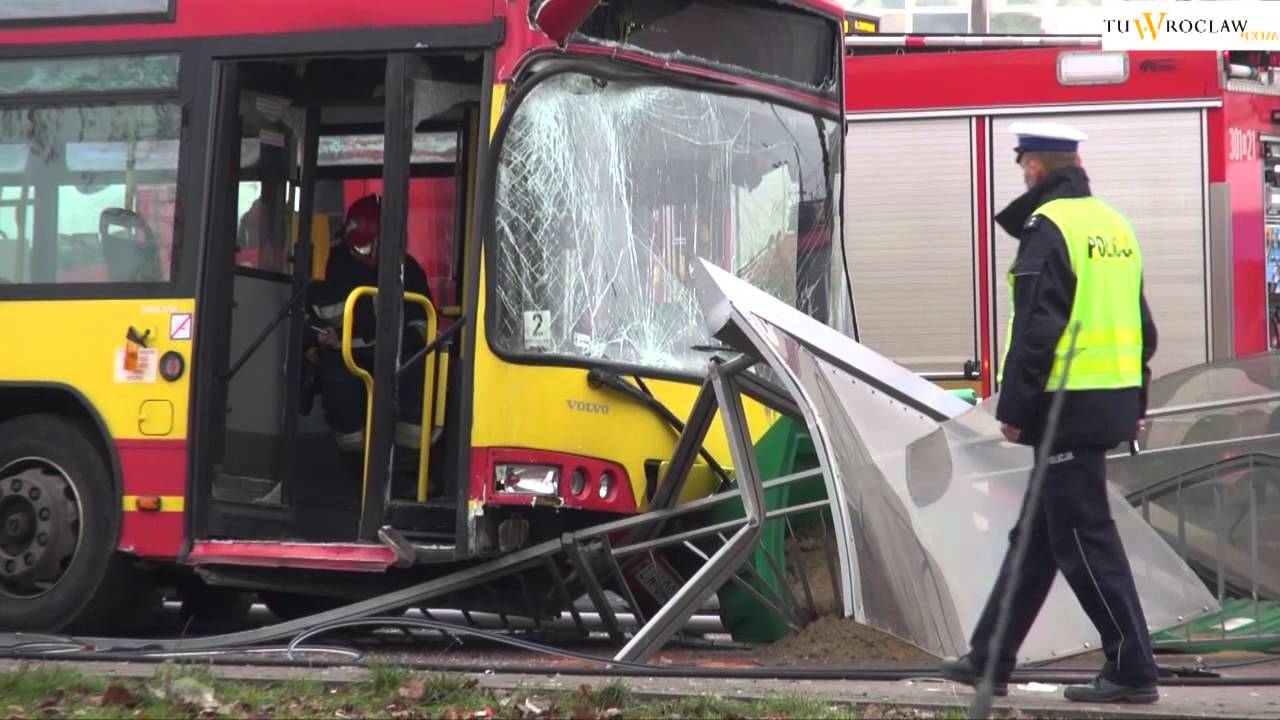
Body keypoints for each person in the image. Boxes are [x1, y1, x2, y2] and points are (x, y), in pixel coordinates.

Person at [938, 122, 1161, 704]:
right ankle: (990, 658)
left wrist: (1014, 410)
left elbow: (1038, 328)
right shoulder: (1114, 226)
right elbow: (1144, 328)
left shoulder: (1050, 228)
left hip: (1067, 405)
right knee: (1037, 536)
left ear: (1034, 168)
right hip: (1106, 399)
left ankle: (1133, 668)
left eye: (1022, 167)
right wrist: (1135, 403)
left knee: (1086, 537)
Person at [306, 193, 434, 499]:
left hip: (397, 356)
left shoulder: (409, 271)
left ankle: (405, 474)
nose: (372, 254)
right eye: (366, 247)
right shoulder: (330, 270)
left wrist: (402, 347)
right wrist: (319, 339)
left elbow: (422, 323)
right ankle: (357, 475)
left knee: (421, 376)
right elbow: (308, 318)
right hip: (344, 358)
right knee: (340, 384)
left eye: (378, 245)